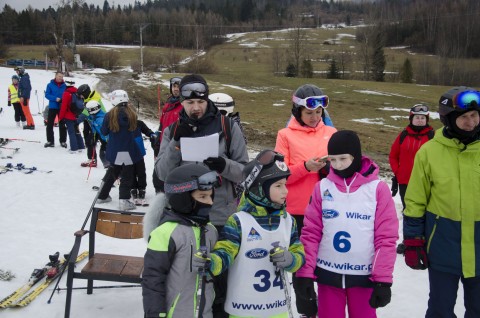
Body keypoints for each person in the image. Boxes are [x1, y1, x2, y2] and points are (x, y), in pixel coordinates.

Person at [155, 74, 248, 317]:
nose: (196, 108)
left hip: (220, 216)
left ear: (207, 99)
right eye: (189, 103)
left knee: (221, 281)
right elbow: (162, 173)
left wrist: (222, 164)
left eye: (200, 102)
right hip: (183, 219)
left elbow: (245, 173)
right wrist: (176, 144)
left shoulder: (228, 127)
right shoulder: (172, 130)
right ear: (181, 103)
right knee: (185, 281)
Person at [295, 130, 399, 318]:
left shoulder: (377, 189)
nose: (338, 165)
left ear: (356, 156)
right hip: (328, 275)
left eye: (343, 158)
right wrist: (305, 273)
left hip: (363, 277)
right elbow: (311, 233)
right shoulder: (323, 187)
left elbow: (386, 238)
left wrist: (382, 280)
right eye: (332, 160)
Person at [192, 150, 305, 317]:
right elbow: (225, 252)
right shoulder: (238, 221)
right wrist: (211, 263)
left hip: (277, 307)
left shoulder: (288, 221)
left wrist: (291, 259)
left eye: (285, 184)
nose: (285, 191)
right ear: (259, 189)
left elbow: (299, 254)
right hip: (243, 308)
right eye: (278, 186)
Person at [403, 86, 480, 317]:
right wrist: (413, 240)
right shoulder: (429, 152)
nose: (471, 122)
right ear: (449, 120)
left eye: (475, 115)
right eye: (464, 117)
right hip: (443, 247)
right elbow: (415, 201)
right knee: (440, 309)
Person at [142, 163, 219, 318]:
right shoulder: (166, 233)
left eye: (211, 196)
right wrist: (155, 313)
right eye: (202, 197)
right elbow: (153, 278)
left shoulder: (211, 231)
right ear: (182, 199)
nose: (210, 202)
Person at [275, 84, 337, 236]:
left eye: (318, 112)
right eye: (309, 113)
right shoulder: (285, 135)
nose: (315, 117)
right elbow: (279, 176)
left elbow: (344, 171)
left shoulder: (332, 133)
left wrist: (331, 168)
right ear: (297, 112)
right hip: (295, 211)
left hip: (328, 209)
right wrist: (305, 167)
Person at [389, 104, 434, 254]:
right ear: (411, 119)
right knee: (409, 211)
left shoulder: (432, 136)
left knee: (427, 211)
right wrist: (398, 172)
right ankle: (408, 241)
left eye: (423, 118)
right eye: (417, 118)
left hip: (427, 182)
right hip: (406, 182)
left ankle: (427, 241)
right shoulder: (403, 135)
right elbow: (393, 156)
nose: (420, 120)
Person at [97, 90, 143, 211]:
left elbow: (104, 132)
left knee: (113, 171)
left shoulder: (109, 115)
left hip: (114, 150)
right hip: (128, 150)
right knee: (127, 176)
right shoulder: (132, 114)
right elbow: (135, 130)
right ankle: (124, 200)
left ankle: (102, 195)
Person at [152, 76, 183, 193]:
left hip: (175, 146)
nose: (176, 89)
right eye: (174, 86)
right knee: (158, 175)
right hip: (164, 143)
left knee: (168, 175)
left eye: (179, 87)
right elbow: (162, 123)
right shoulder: (168, 104)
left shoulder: (184, 105)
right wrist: (157, 137)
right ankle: (160, 197)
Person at [77, 84, 107, 167]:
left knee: (102, 140)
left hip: (99, 122)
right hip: (91, 121)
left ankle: (109, 160)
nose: (81, 97)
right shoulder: (87, 98)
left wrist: (77, 121)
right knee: (89, 140)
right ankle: (92, 159)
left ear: (85, 93)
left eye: (81, 95)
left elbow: (86, 112)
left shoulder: (94, 98)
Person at [58, 81, 85, 153]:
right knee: (77, 130)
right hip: (77, 115)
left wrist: (60, 117)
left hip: (69, 116)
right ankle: (81, 146)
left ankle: (74, 148)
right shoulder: (77, 91)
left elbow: (63, 107)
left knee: (71, 132)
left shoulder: (66, 93)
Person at [44, 71, 67, 148]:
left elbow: (67, 95)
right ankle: (50, 141)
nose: (60, 78)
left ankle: (63, 141)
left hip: (62, 107)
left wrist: (63, 100)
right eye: (59, 76)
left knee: (62, 125)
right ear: (56, 76)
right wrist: (55, 99)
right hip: (53, 106)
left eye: (61, 77)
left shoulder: (65, 85)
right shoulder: (50, 85)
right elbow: (47, 94)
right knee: (50, 124)